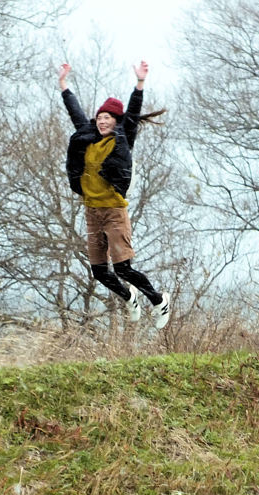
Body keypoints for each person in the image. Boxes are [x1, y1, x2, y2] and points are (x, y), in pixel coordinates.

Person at [58, 60, 171, 330]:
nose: (102, 121)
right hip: (92, 211)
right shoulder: (88, 136)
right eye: (99, 117)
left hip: (114, 211)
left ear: (116, 122)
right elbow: (75, 112)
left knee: (123, 268)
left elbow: (132, 113)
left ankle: (158, 301)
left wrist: (140, 83)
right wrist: (63, 85)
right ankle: (129, 297)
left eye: (107, 118)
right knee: (99, 272)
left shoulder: (121, 139)